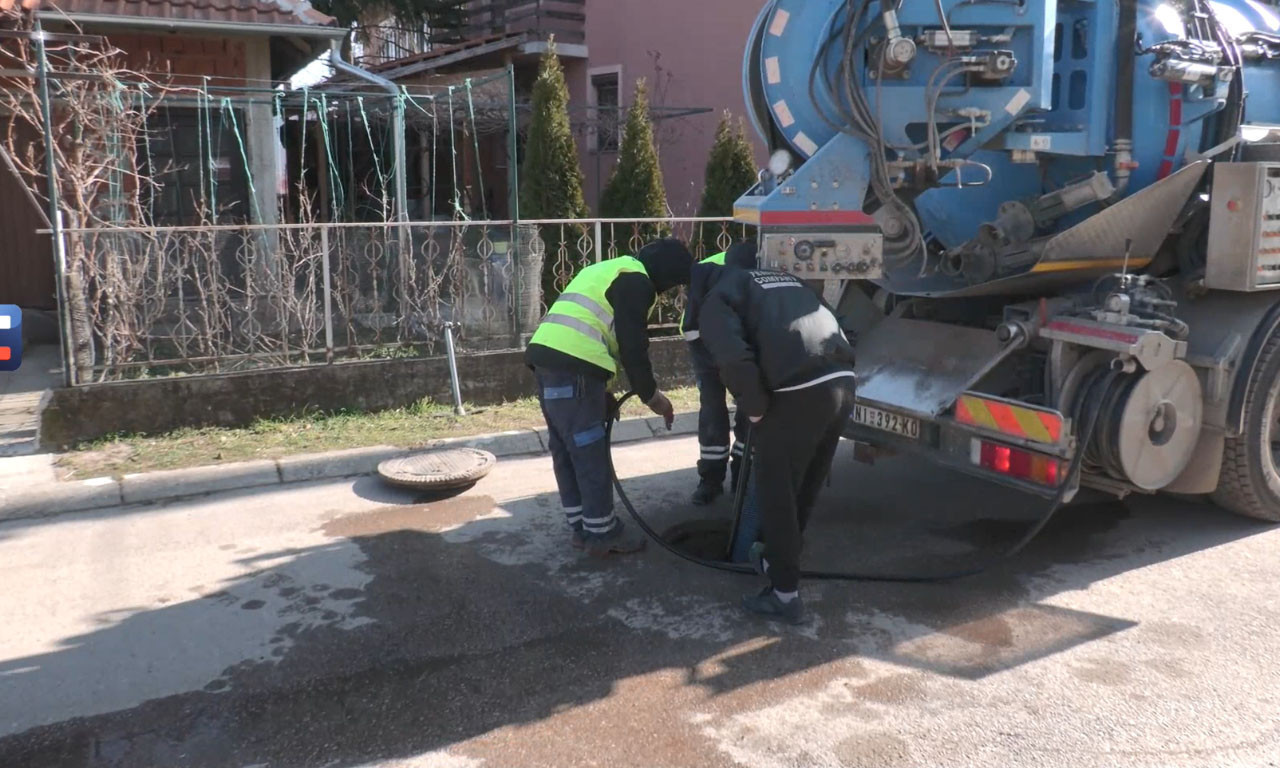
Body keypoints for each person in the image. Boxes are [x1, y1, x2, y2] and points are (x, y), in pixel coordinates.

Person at [699, 267, 857, 624]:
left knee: (777, 493)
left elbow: (732, 357)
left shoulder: (716, 300)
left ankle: (784, 595)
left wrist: (755, 408)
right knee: (806, 485)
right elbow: (835, 320)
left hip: (795, 391)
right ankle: (779, 561)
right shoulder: (782, 281)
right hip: (842, 381)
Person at [526, 238, 694, 558]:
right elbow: (633, 348)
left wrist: (601, 390)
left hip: (546, 362)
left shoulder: (607, 270)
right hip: (575, 369)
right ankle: (602, 535)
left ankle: (583, 529)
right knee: (589, 451)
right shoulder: (637, 281)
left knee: (566, 448)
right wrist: (653, 397)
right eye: (672, 284)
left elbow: (593, 331)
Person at [679, 243, 758, 505]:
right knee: (714, 410)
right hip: (705, 343)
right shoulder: (711, 273)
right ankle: (712, 480)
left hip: (737, 343)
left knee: (750, 408)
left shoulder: (755, 263)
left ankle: (742, 477)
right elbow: (693, 324)